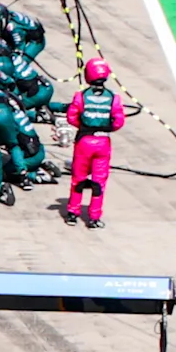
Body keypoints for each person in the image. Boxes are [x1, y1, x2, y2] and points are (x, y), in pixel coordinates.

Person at [61, 56, 136, 228]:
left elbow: (71, 117)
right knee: (99, 181)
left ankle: (73, 213)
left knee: (78, 178)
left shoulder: (81, 96)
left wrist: (85, 127)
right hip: (103, 142)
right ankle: (94, 217)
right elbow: (118, 122)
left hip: (84, 141)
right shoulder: (114, 98)